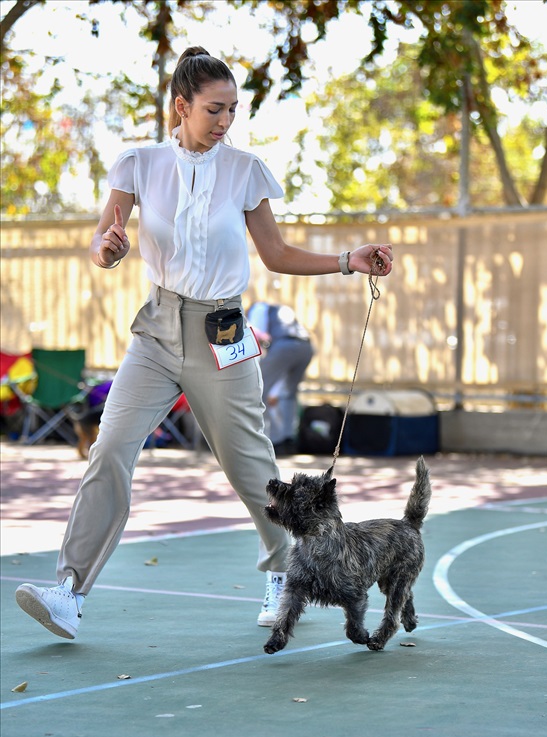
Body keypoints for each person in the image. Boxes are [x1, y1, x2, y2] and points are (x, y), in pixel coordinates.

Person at [15, 47, 393, 641]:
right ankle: (69, 591)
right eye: (214, 109)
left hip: (224, 331)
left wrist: (349, 260)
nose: (225, 121)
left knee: (249, 467)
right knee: (109, 446)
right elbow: (102, 243)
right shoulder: (137, 163)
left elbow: (277, 255)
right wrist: (108, 250)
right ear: (181, 106)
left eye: (233, 110)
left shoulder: (245, 169)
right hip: (158, 330)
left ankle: (282, 572)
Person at [247, 302, 314, 455]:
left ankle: (274, 441)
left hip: (284, 346)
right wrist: (276, 391)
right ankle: (288, 438)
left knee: (259, 392)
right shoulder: (281, 309)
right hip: (306, 347)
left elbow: (258, 336)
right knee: (289, 394)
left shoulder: (258, 308)